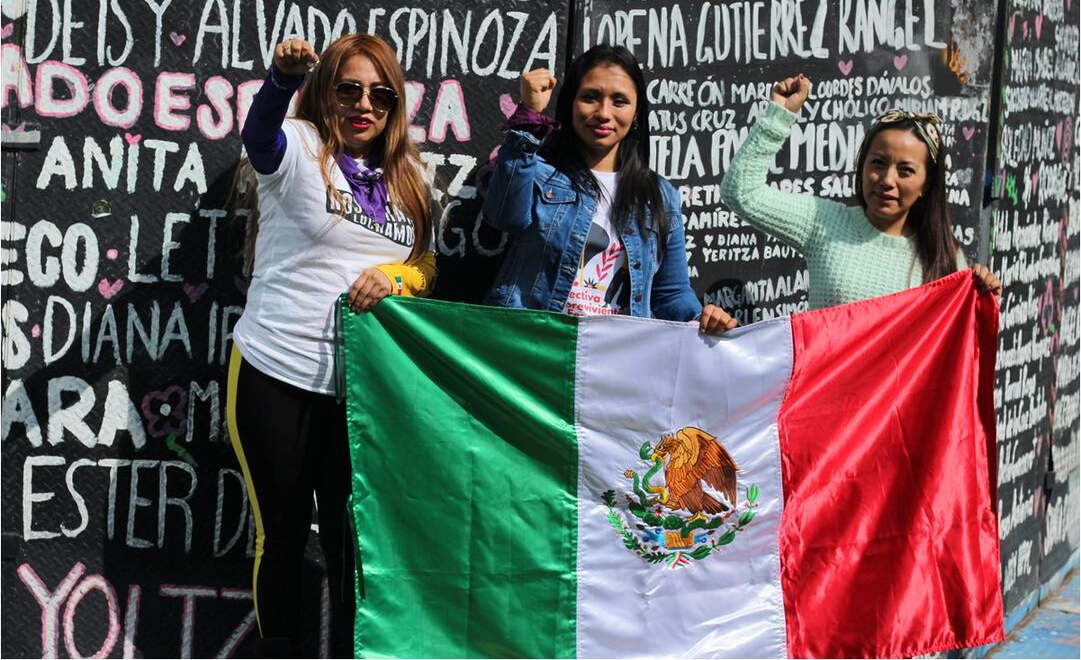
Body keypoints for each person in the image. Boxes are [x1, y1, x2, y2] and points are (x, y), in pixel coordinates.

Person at [226, 34, 436, 657]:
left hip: (362, 391)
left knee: (354, 541)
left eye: (379, 93)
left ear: (396, 104)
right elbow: (258, 137)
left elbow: (425, 268)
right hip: (274, 371)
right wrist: (280, 80)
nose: (363, 103)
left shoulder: (411, 180)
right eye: (348, 88)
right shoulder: (301, 146)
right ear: (327, 93)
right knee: (282, 535)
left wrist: (397, 277)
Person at [481, 45, 736, 334]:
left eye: (619, 101)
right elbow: (503, 215)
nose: (603, 113)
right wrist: (528, 117)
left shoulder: (660, 196)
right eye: (590, 97)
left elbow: (671, 294)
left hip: (618, 359)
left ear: (637, 112)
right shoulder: (537, 173)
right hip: (535, 349)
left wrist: (704, 318)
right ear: (570, 104)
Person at [720, 74, 1002, 309]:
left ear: (926, 185)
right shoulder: (824, 222)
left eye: (905, 171)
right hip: (828, 377)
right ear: (862, 164)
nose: (887, 180)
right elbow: (742, 193)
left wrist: (984, 300)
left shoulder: (946, 259)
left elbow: (958, 354)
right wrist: (780, 115)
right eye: (878, 163)